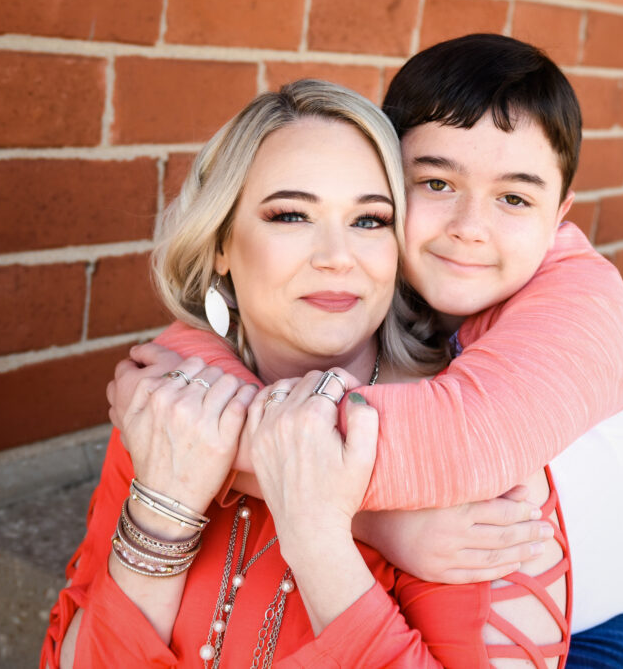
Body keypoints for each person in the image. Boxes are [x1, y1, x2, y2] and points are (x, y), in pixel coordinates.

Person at [108, 34, 623, 667]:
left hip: (611, 625)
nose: (470, 227)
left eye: (515, 198)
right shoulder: (382, 272)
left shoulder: (583, 303)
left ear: (560, 215)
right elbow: (238, 321)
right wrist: (193, 374)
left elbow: (463, 439)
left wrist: (203, 429)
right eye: (437, 182)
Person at [43, 78, 583, 668]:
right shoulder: (175, 401)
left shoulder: (471, 452)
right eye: (292, 215)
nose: (336, 255)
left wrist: (320, 535)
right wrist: (163, 507)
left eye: (370, 221)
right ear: (222, 241)